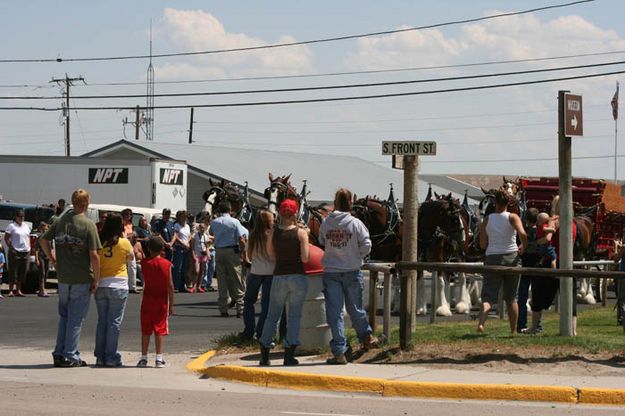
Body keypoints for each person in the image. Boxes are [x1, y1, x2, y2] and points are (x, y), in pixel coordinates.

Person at [40, 188, 102, 367]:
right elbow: (94, 255)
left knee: (65, 316)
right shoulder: (88, 225)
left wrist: (52, 259)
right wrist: (96, 279)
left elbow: (44, 240)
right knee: (76, 319)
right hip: (81, 276)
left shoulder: (59, 221)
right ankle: (70, 354)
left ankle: (59, 352)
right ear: (86, 203)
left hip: (64, 276)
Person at [320, 188, 376, 364]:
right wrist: (356, 254)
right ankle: (366, 337)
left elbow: (322, 241)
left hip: (331, 271)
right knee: (355, 309)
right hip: (352, 270)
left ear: (335, 203)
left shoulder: (326, 223)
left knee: (335, 312)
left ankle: (339, 351)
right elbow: (366, 245)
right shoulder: (355, 223)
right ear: (350, 202)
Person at [259, 199, 309, 367]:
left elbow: (270, 254)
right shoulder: (301, 233)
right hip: (297, 276)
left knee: (272, 316)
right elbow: (305, 257)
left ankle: (265, 352)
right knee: (294, 316)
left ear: (280, 213)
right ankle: (289, 354)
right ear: (295, 213)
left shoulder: (273, 233)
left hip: (279, 275)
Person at [477, 189, 527, 334]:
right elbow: (523, 233)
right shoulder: (513, 217)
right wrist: (524, 245)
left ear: (495, 203)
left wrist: (487, 245)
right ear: (508, 202)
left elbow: (482, 244)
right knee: (511, 298)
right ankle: (513, 330)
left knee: (488, 297)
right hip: (511, 257)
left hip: (493, 257)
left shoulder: (488, 219)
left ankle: (481, 323)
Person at [95, 213, 133, 367]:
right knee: (114, 323)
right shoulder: (124, 242)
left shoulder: (100, 241)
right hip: (118, 284)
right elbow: (131, 257)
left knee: (102, 322)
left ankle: (100, 356)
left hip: (102, 283)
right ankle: (111, 356)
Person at [137, 236, 174, 368]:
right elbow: (170, 285)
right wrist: (172, 304)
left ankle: (144, 357)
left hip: (147, 298)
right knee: (159, 329)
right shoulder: (166, 264)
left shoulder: (144, 264)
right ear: (162, 248)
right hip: (161, 299)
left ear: (148, 248)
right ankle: (159, 357)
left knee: (146, 329)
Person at [241, 209, 275, 340]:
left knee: (249, 301)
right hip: (270, 272)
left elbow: (249, 255)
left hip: (256, 271)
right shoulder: (272, 235)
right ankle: (261, 331)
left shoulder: (253, 235)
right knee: (266, 304)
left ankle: (249, 329)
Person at [210, 200, 247, 317]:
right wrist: (242, 251)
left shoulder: (214, 222)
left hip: (219, 251)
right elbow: (242, 237)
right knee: (236, 279)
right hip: (232, 250)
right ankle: (240, 308)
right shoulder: (235, 222)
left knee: (221, 280)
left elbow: (211, 233)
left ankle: (223, 308)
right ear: (230, 210)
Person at [517, 208, 542, 333]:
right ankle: (537, 325)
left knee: (522, 298)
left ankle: (521, 324)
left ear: (526, 219)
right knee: (537, 298)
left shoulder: (523, 233)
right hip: (538, 267)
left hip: (525, 268)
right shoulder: (540, 233)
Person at [4, 209, 32, 297]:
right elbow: (6, 238)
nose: (22, 218)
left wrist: (29, 248)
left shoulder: (26, 226)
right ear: (16, 217)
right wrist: (11, 248)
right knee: (13, 271)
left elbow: (28, 237)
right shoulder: (11, 226)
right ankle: (11, 290)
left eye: (23, 216)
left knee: (23, 271)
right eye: (20, 216)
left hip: (25, 251)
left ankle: (18, 290)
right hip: (15, 251)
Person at [170, 210, 191, 293]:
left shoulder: (187, 226)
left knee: (184, 268)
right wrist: (183, 244)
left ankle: (182, 285)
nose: (184, 217)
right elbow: (176, 237)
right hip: (179, 248)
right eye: (182, 216)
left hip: (186, 248)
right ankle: (176, 285)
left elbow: (189, 235)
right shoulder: (177, 225)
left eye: (185, 216)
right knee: (178, 267)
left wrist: (188, 243)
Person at [189, 222, 209, 293]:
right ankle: (193, 286)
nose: (202, 229)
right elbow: (192, 246)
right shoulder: (195, 235)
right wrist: (193, 255)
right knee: (196, 271)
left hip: (203, 255)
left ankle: (199, 286)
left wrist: (208, 255)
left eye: (203, 228)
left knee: (202, 271)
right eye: (201, 228)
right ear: (199, 228)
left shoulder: (205, 236)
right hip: (197, 255)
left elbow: (207, 247)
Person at [35, 222, 51, 297]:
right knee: (42, 273)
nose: (44, 231)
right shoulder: (39, 238)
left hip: (47, 257)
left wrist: (52, 258)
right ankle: (42, 289)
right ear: (40, 230)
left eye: (46, 229)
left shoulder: (49, 238)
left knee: (46, 273)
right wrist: (36, 259)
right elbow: (36, 249)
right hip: (41, 256)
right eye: (43, 229)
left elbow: (51, 248)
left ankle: (41, 288)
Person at [201, 215, 216, 291]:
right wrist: (210, 237)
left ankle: (209, 284)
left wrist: (210, 237)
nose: (210, 220)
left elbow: (215, 236)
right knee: (205, 268)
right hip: (206, 249)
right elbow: (204, 235)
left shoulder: (213, 227)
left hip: (212, 249)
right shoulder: (204, 227)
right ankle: (203, 284)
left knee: (212, 268)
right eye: (209, 219)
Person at [613, 239, 625, 330]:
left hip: (623, 275)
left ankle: (621, 318)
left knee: (621, 298)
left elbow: (615, 259)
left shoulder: (624, 248)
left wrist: (616, 247)